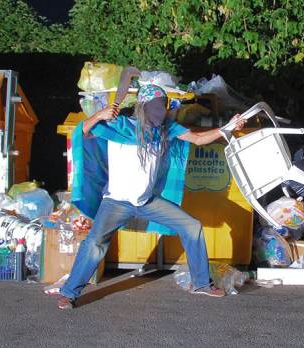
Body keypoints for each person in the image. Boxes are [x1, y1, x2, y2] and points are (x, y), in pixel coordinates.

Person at [56, 75, 245, 310]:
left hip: (147, 201)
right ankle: (69, 293)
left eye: (163, 107)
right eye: (156, 107)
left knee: (192, 226)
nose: (160, 113)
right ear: (144, 108)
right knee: (95, 242)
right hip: (116, 202)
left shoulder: (166, 127)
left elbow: (197, 139)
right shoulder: (120, 126)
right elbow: (81, 132)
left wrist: (228, 128)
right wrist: (98, 116)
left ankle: (201, 284)